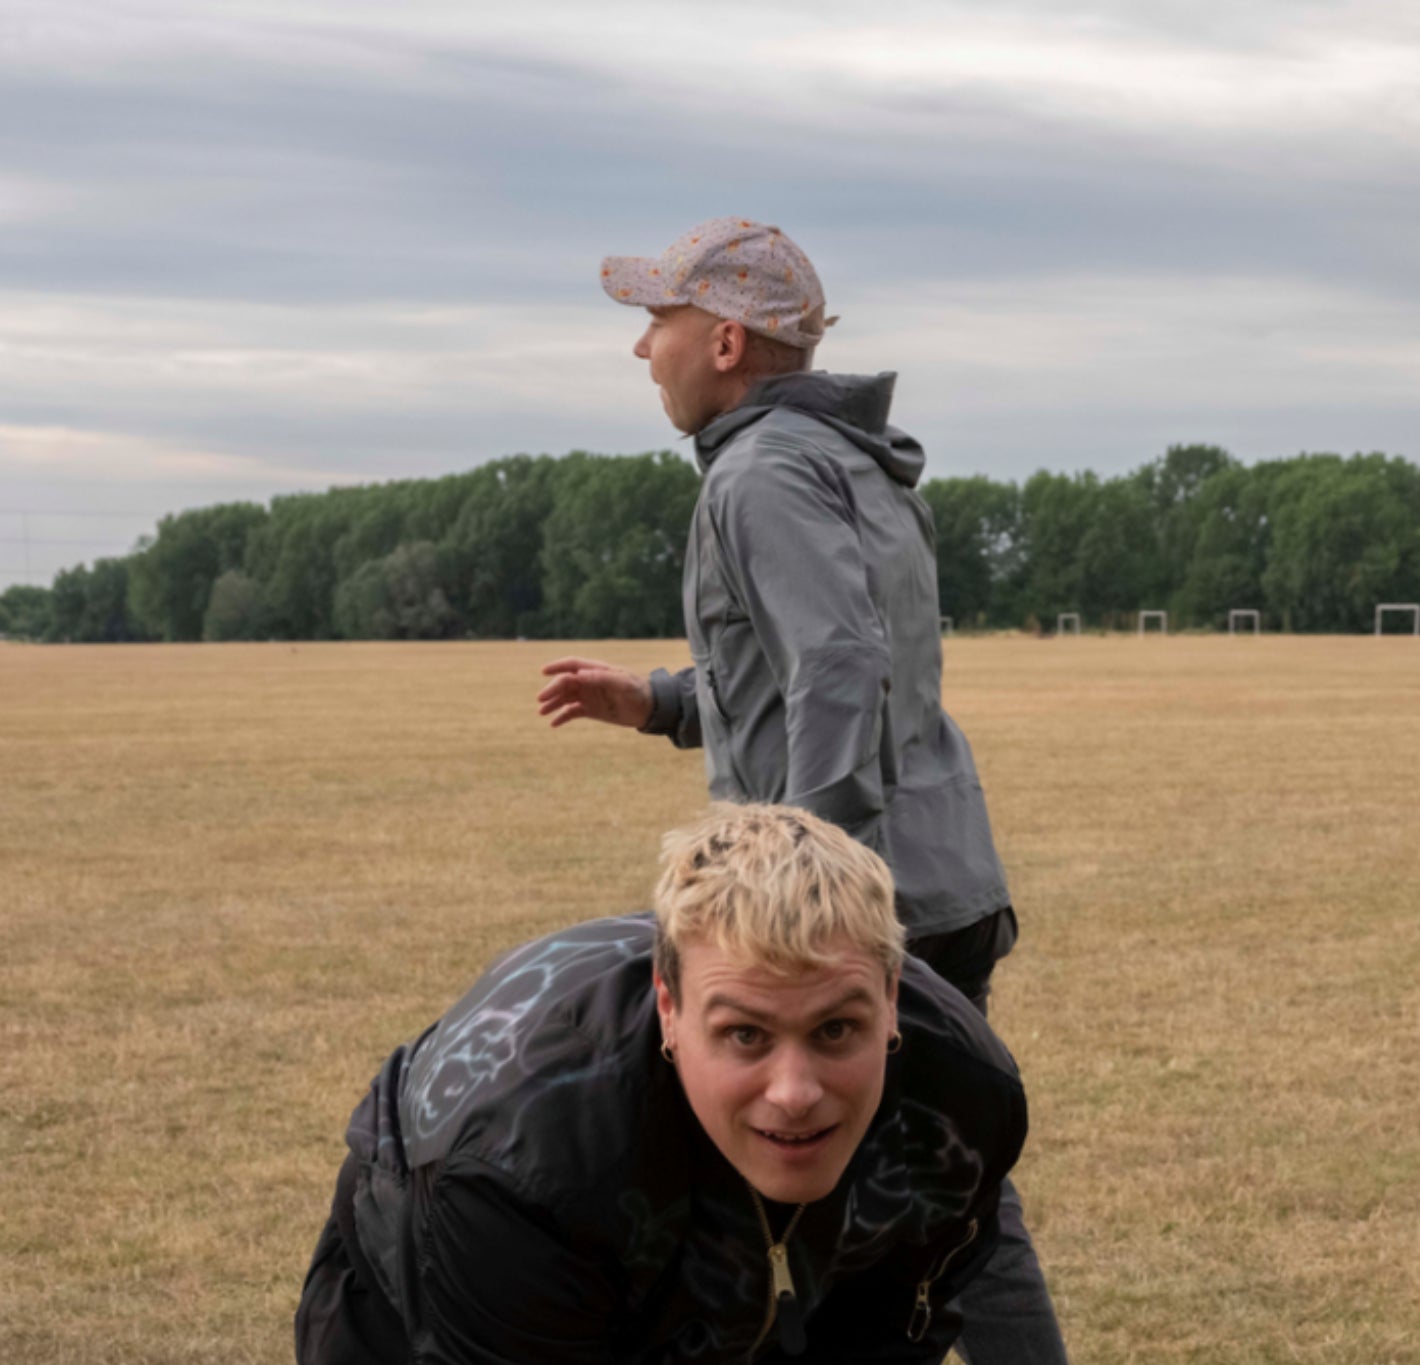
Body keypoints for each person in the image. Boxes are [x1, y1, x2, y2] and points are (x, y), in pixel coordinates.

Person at [534, 217, 1065, 1359]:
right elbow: (811, 668)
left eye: (656, 323)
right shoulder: (840, 461)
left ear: (724, 341)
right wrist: (662, 701)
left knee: (868, 1197)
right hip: (938, 879)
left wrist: (810, 892)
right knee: (939, 1190)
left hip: (862, 905)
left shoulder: (763, 473)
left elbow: (837, 666)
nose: (643, 353)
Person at [295, 803, 1025, 1363]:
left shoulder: (962, 1103)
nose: (795, 1091)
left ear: (891, 996)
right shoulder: (518, 1169)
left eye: (836, 1029)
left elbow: (884, 1333)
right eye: (746, 1034)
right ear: (670, 1009)